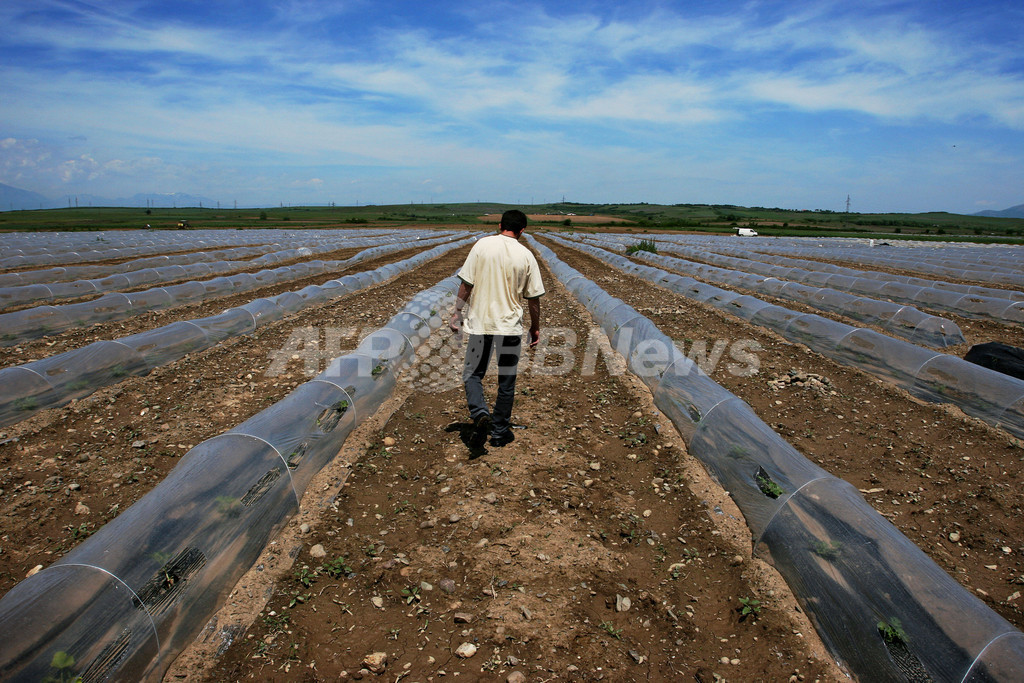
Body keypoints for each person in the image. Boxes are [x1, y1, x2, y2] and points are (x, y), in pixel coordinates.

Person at [449, 210, 545, 449]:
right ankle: (500, 432)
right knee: (506, 382)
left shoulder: (482, 246)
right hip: (510, 329)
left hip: (481, 325)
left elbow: (466, 284)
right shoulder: (526, 255)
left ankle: (480, 414)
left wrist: (457, 312)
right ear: (522, 230)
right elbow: (533, 299)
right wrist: (535, 327)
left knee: (473, 374)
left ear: (500, 224)